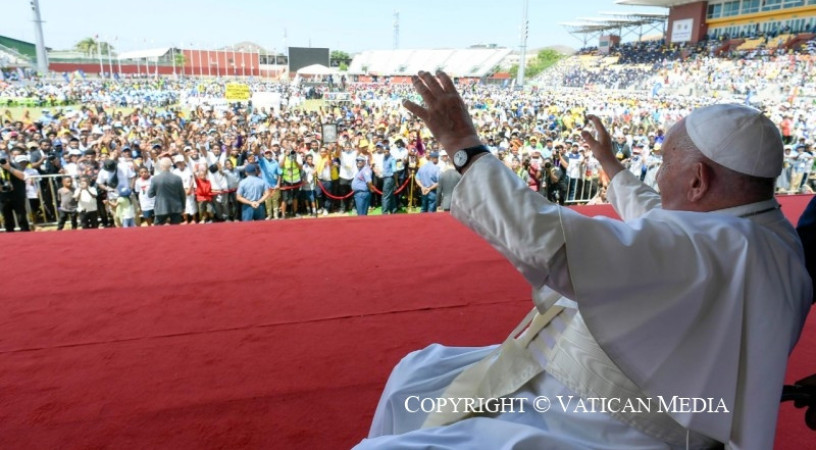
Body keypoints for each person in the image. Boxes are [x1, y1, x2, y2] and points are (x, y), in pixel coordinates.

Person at [355, 71, 812, 449]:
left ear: (698, 180)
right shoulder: (765, 233)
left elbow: (546, 240)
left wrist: (463, 145)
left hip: (600, 422)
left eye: (665, 162)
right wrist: (612, 168)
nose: (658, 171)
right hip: (604, 393)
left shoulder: (707, 246)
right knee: (416, 373)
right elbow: (657, 217)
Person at [148, 157, 186, 225]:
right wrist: (183, 206)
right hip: (176, 208)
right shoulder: (177, 178)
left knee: (157, 230)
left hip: (161, 207)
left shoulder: (155, 179)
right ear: (170, 166)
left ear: (161, 166)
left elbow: (150, 194)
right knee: (176, 230)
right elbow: (182, 194)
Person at [0, 152, 31, 232]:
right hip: (3, 197)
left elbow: (23, 176)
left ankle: (25, 234)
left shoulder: (15, 165)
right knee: (7, 220)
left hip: (17, 196)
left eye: (5, 159)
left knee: (22, 218)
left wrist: (9, 168)